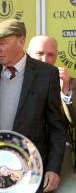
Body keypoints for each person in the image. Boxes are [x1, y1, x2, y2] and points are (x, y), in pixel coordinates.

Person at [0, 19, 66, 193]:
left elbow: (57, 128)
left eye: (2, 43)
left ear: (21, 41)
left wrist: (53, 168)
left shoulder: (47, 74)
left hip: (33, 170)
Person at [28, 35, 76, 191]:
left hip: (61, 159)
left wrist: (66, 90)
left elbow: (74, 120)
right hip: (24, 154)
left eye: (50, 54)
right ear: (28, 53)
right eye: (39, 53)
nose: (44, 59)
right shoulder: (16, 80)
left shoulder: (70, 82)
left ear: (56, 56)